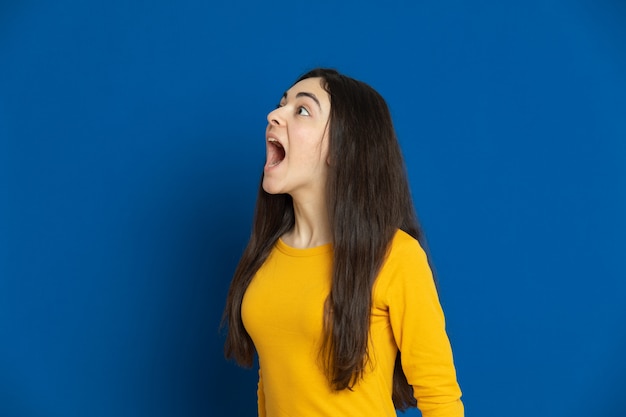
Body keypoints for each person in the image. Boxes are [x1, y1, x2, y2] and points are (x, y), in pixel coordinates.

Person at [222, 68, 464, 417]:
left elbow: (441, 399)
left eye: (301, 110)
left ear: (340, 148)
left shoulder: (395, 256)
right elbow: (273, 382)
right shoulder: (266, 256)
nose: (273, 115)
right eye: (281, 105)